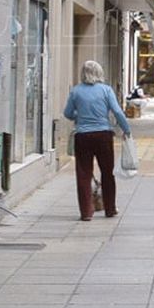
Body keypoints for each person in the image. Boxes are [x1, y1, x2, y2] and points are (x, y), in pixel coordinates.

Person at [63, 60, 133, 221]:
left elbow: (67, 113)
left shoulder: (76, 91)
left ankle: (86, 212)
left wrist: (79, 117)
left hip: (83, 136)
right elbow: (117, 111)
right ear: (99, 73)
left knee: (83, 174)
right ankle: (110, 208)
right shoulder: (106, 90)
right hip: (103, 135)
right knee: (108, 173)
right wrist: (126, 130)